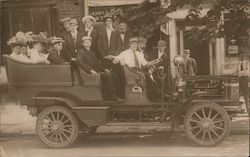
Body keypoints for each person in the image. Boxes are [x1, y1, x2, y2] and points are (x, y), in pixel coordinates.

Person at [76, 36, 124, 102]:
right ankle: (113, 96)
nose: (88, 44)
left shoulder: (92, 53)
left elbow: (97, 65)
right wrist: (90, 70)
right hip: (89, 73)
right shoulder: (81, 52)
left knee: (114, 75)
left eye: (89, 42)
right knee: (108, 76)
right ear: (83, 44)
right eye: (86, 42)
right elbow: (80, 62)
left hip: (96, 71)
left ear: (91, 43)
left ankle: (119, 94)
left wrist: (104, 69)